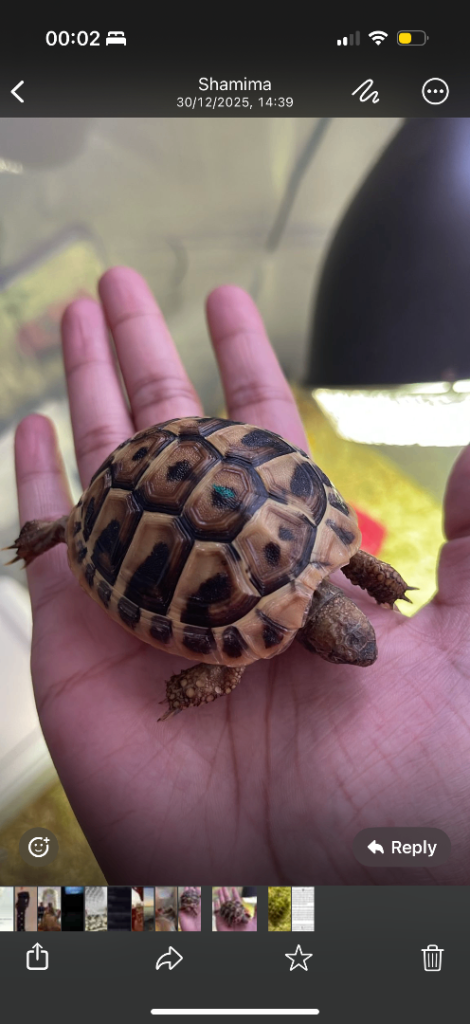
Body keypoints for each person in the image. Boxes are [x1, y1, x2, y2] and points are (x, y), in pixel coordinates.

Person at [12, 267, 470, 884]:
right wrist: (187, 689)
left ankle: (68, 524)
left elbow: (358, 565)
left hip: (198, 453)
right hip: (161, 484)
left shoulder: (337, 556)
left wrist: (386, 584)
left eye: (349, 641)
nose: (355, 651)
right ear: (319, 634)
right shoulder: (241, 654)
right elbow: (223, 666)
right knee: (217, 661)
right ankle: (69, 526)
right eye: (348, 643)